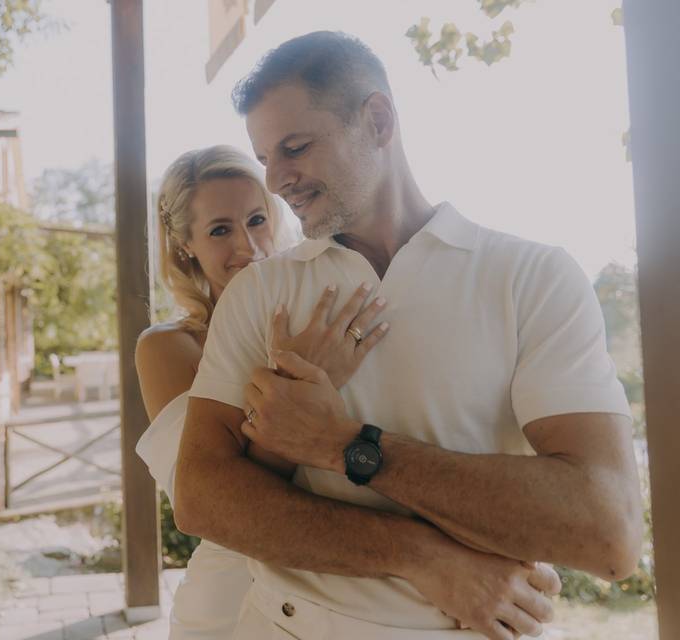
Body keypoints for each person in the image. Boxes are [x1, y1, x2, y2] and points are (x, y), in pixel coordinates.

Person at [175, 32, 642, 640]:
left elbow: (607, 532)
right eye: (264, 157)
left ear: (378, 119)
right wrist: (417, 553)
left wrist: (345, 446)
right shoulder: (260, 292)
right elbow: (202, 499)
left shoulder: (531, 276)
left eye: (294, 147)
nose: (278, 179)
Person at [135, 144, 391, 639]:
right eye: (220, 230)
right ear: (185, 244)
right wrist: (308, 384)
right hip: (231, 598)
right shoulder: (169, 348)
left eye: (256, 219)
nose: (249, 246)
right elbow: (215, 503)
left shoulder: (320, 320)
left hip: (341, 595)